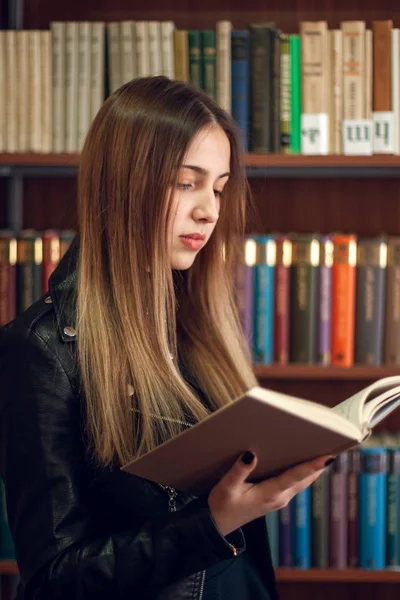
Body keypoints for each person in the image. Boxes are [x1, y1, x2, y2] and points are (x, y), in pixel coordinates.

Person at [0, 76, 333, 600]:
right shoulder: (43, 349)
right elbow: (53, 579)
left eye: (219, 188)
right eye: (186, 183)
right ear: (123, 182)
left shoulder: (199, 321)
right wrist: (212, 523)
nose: (210, 211)